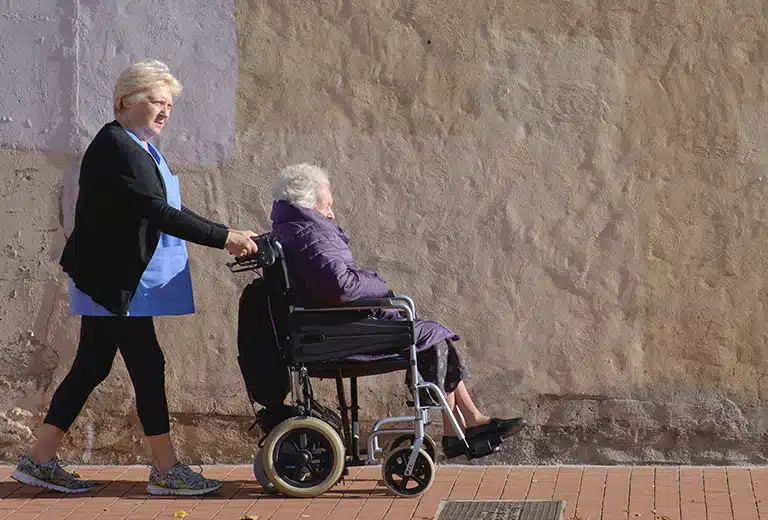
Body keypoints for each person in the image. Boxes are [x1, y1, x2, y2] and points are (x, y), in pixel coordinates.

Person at [11, 60, 259, 495]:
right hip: (112, 282)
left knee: (93, 364)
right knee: (146, 365)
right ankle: (165, 470)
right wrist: (224, 238)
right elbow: (158, 212)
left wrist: (227, 232)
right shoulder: (119, 147)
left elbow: (168, 209)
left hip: (112, 279)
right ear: (126, 101)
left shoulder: (137, 145)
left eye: (169, 104)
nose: (165, 111)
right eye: (156, 101)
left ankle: (39, 459)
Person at [269, 164, 527, 459]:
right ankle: (458, 428)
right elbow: (340, 288)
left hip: (332, 327)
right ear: (307, 206)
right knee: (430, 336)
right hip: (336, 333)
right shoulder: (310, 236)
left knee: (433, 335)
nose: (332, 214)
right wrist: (377, 282)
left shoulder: (298, 231)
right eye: (327, 207)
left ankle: (465, 424)